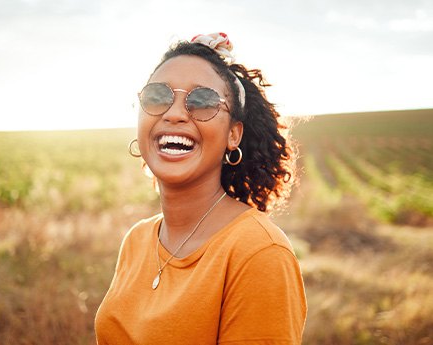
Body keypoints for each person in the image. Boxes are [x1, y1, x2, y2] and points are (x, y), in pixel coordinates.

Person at [95, 32, 307, 344]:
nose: (176, 113)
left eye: (203, 101)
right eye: (157, 96)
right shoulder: (137, 240)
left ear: (233, 135)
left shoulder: (259, 253)